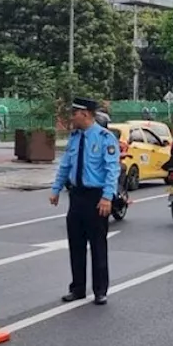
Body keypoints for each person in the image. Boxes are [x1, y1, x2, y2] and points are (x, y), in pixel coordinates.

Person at [49, 97, 120, 306]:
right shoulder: (75, 137)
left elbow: (112, 170)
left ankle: (100, 290)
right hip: (77, 196)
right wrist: (56, 189)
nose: (72, 117)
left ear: (86, 114)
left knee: (98, 245)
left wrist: (107, 197)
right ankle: (78, 288)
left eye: (75, 113)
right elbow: (66, 165)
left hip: (96, 197)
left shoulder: (105, 138)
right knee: (76, 244)